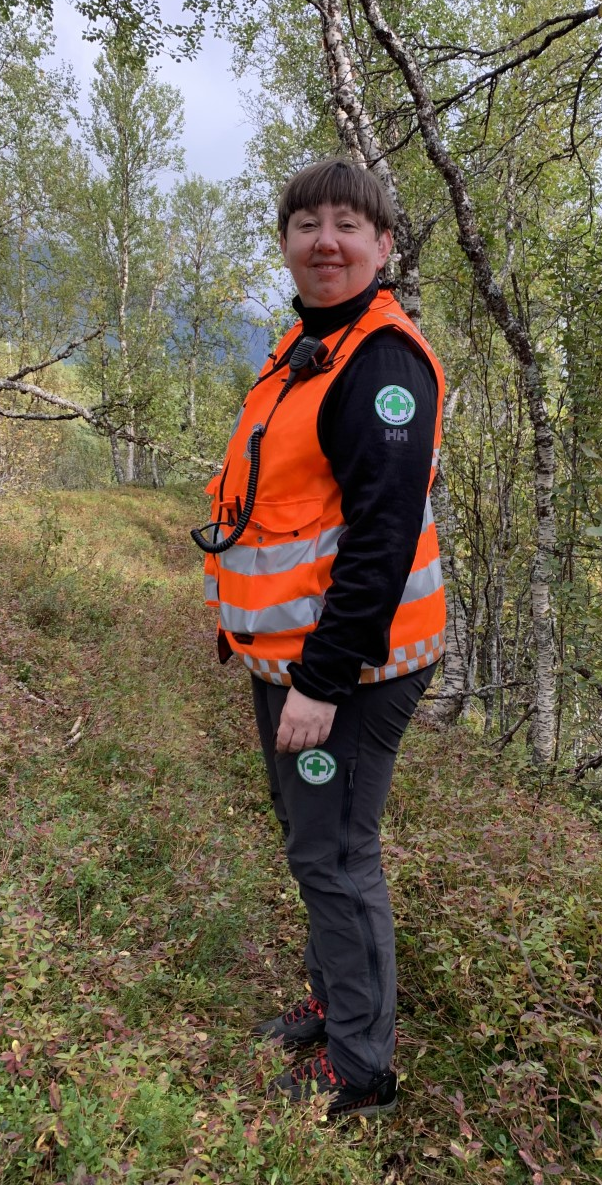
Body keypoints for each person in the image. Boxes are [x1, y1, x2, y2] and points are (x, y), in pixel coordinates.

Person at [194, 158, 446, 1117]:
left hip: (349, 668)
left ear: (383, 247)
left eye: (348, 224)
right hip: (302, 661)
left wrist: (321, 683)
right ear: (287, 244)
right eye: (307, 224)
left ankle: (362, 1068)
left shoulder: (381, 363)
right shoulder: (309, 349)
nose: (326, 240)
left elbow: (381, 546)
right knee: (315, 841)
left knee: (337, 853)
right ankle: (340, 1002)